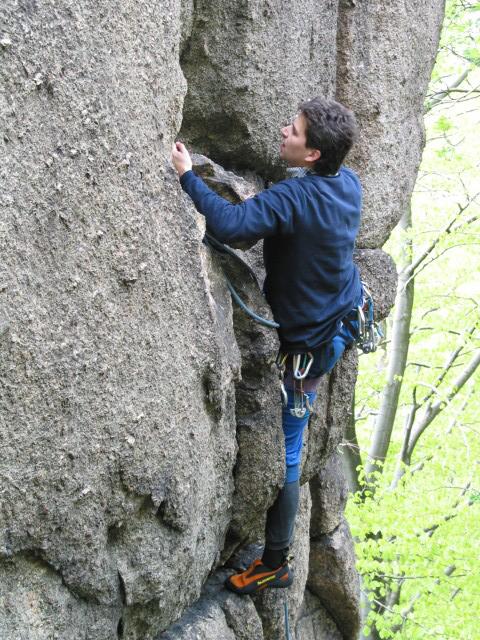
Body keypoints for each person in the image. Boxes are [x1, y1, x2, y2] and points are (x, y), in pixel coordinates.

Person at [171, 97, 362, 595]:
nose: (282, 131)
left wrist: (188, 176)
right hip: (342, 317)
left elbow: (231, 228)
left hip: (312, 346)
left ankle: (275, 563)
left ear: (313, 153)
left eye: (293, 130)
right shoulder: (349, 184)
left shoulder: (294, 198)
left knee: (291, 451)